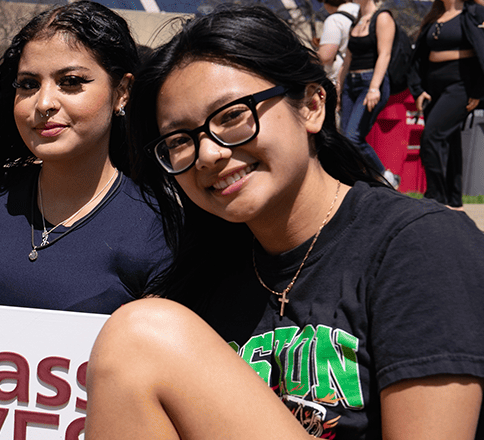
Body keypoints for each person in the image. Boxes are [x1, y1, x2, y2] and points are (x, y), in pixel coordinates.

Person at [84, 6, 484, 439]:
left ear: (312, 106)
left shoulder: (421, 245)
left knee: (139, 336)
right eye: (180, 140)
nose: (209, 153)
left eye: (232, 115)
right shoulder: (205, 276)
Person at [0, 0, 170, 313]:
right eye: (28, 84)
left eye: (71, 82)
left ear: (122, 91)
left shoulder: (156, 230)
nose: (43, 103)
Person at [410, 0, 484, 209]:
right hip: (432, 89)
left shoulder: (475, 12)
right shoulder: (435, 15)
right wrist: (418, 89)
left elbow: (482, 50)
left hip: (460, 87)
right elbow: (419, 56)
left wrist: (478, 91)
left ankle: (436, 196)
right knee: (450, 141)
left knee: (431, 136)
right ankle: (454, 200)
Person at [339, 0, 394, 182]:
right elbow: (347, 59)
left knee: (353, 137)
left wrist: (374, 88)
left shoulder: (383, 17)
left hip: (370, 83)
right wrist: (339, 89)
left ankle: (384, 177)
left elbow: (384, 54)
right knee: (345, 141)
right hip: (350, 84)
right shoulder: (357, 21)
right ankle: (359, 182)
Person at [315, 0, 359, 89]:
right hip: (367, 71)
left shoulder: (335, 19)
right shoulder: (362, 12)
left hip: (344, 77)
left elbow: (326, 56)